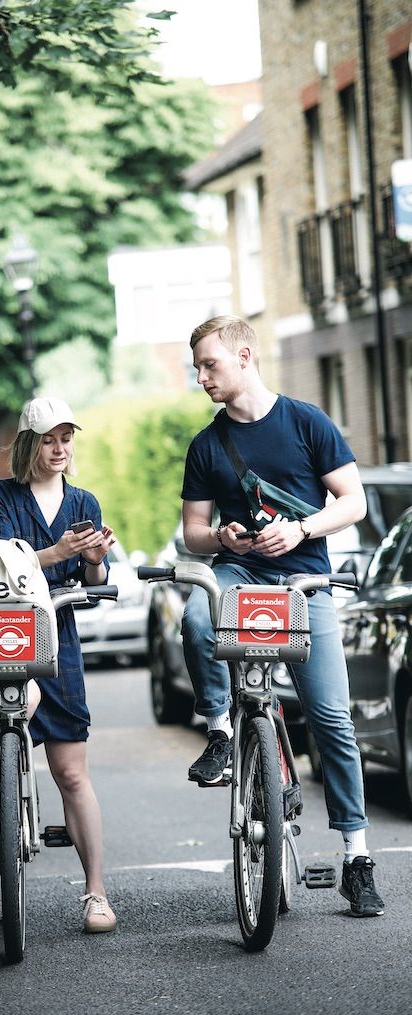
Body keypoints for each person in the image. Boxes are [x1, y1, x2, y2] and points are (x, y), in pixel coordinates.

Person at [180, 315, 384, 918]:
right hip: (239, 575)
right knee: (196, 617)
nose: (201, 377)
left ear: (245, 356)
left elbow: (353, 500)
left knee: (332, 721)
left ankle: (356, 857)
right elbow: (194, 533)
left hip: (305, 580)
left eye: (209, 364)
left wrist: (300, 527)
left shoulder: (305, 422)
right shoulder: (205, 444)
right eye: (197, 367)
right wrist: (225, 537)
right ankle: (219, 728)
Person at [0, 396, 117, 934]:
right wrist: (56, 551)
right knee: (13, 709)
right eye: (49, 439)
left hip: (59, 632)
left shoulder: (84, 500)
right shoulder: (3, 496)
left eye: (67, 438)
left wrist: (91, 562)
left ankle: (96, 894)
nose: (60, 448)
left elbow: (93, 584)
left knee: (72, 771)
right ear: (28, 443)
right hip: (7, 628)